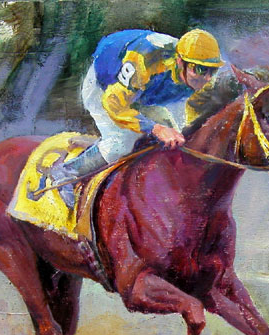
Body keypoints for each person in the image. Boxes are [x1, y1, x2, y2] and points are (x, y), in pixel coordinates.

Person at [49, 28, 224, 206]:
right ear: (180, 61)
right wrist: (156, 128)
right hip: (107, 90)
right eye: (200, 69)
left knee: (179, 139)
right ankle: (66, 171)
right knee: (122, 143)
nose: (206, 78)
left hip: (144, 94)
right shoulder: (144, 60)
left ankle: (102, 145)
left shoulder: (198, 75)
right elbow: (114, 105)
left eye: (212, 71)